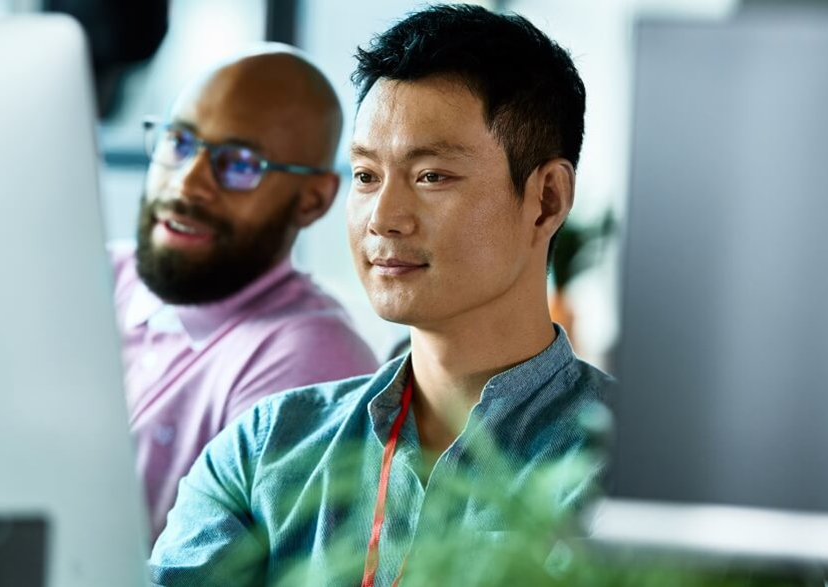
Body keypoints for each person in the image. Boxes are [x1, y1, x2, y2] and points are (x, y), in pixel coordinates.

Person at [149, 6, 612, 585]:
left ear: (545, 199)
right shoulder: (265, 447)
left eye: (431, 177)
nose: (384, 219)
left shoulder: (632, 476)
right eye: (366, 176)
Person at [110, 46, 379, 543]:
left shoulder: (309, 360)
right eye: (179, 142)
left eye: (239, 163)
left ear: (313, 199)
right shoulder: (100, 274)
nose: (187, 183)